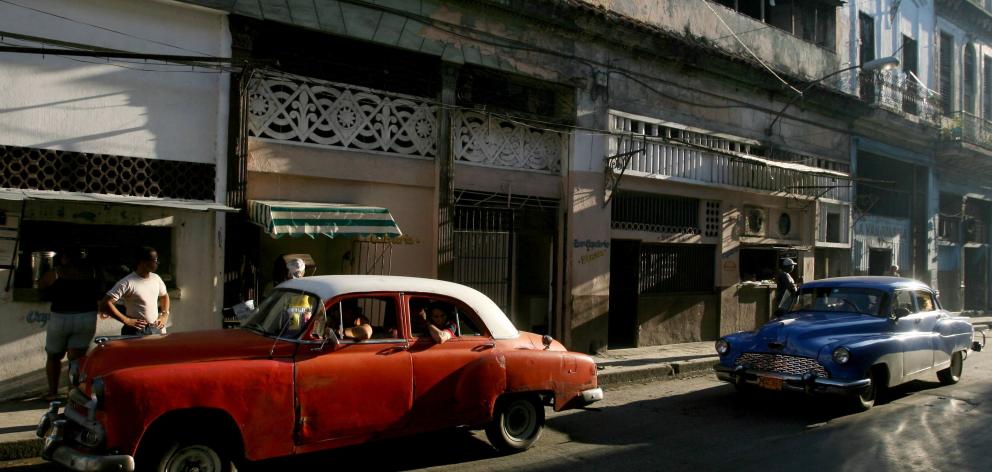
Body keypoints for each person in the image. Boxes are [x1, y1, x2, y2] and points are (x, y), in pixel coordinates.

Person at [38, 247, 102, 401]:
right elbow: (101, 290)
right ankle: (73, 393)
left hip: (60, 317)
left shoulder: (55, 272)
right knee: (76, 359)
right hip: (87, 317)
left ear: (64, 258)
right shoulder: (93, 272)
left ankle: (53, 393)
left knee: (54, 356)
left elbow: (41, 288)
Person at [100, 247, 169, 336]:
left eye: (157, 260)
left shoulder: (156, 278)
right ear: (142, 262)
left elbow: (164, 295)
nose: (157, 263)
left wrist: (164, 315)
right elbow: (105, 304)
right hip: (135, 331)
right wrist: (126, 320)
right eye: (154, 260)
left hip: (156, 328)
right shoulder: (127, 282)